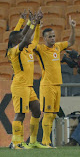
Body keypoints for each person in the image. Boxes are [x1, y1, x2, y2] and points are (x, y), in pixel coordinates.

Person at [6, 9, 48, 149]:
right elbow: (23, 37)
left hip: (28, 87)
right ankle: (16, 142)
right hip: (20, 86)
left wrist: (33, 23)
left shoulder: (27, 49)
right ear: (16, 41)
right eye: (22, 38)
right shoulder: (14, 51)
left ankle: (33, 141)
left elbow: (28, 37)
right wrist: (33, 23)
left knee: (36, 110)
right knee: (20, 114)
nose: (26, 38)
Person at [34, 16, 76, 148]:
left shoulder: (58, 47)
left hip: (57, 85)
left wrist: (73, 28)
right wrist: (36, 28)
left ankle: (47, 141)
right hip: (47, 86)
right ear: (44, 38)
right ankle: (45, 141)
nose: (53, 38)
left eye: (53, 36)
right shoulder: (41, 49)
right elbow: (33, 45)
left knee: (52, 115)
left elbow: (70, 42)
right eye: (50, 37)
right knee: (47, 113)